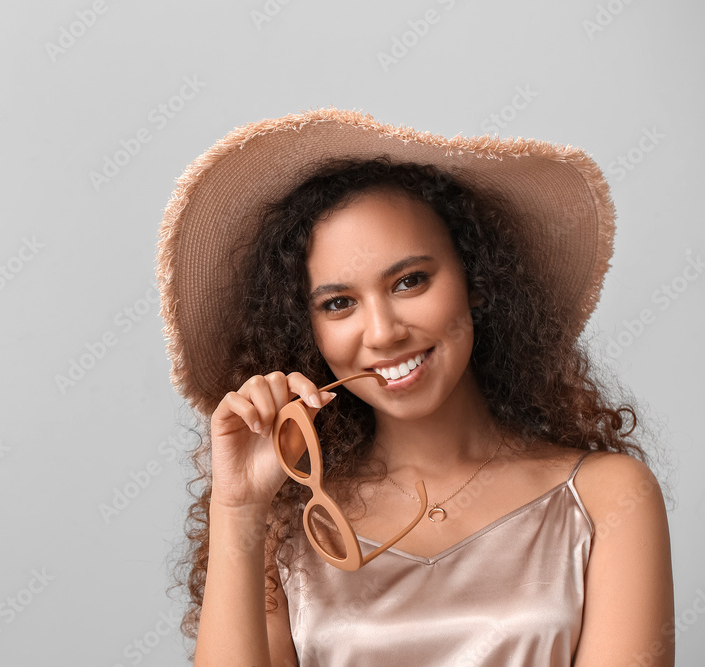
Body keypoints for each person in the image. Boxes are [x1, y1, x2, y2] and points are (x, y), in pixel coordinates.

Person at [154, 108, 674, 666]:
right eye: (339, 303)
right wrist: (238, 508)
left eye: (410, 281)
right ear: (309, 331)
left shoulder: (604, 497)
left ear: (476, 280)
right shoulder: (289, 528)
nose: (382, 332)